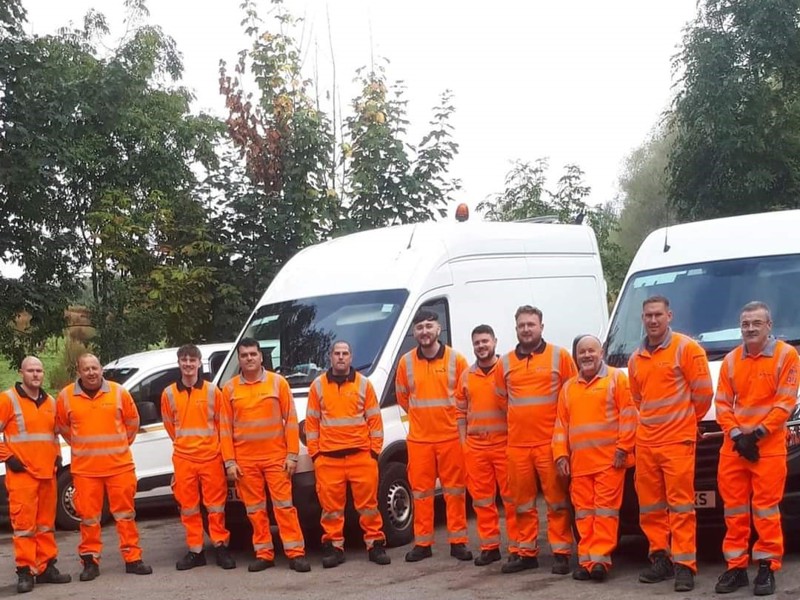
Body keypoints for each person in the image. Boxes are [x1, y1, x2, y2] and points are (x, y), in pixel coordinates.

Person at [713, 301, 799, 597]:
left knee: (765, 510)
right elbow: (722, 404)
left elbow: (785, 402)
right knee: (734, 511)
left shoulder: (786, 356)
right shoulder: (731, 360)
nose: (750, 328)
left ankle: (766, 566)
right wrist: (738, 436)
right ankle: (736, 567)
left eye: (756, 323)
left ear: (769, 326)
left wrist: (757, 434)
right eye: (745, 324)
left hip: (768, 448)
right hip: (734, 449)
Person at [627, 295, 713, 592]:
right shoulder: (636, 358)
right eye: (648, 315)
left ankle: (684, 566)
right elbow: (638, 399)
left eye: (658, 315)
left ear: (669, 316)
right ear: (643, 318)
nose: (653, 320)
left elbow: (703, 394)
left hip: (677, 441)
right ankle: (660, 558)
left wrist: (685, 422)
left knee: (681, 506)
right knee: (650, 507)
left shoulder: (687, 349)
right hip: (646, 442)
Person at [56, 353, 153, 581]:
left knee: (125, 516)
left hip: (119, 467)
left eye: (95, 368)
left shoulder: (119, 392)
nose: (91, 373)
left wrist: (117, 446)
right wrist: (85, 446)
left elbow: (132, 423)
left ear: (101, 369)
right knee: (88, 518)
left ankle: (133, 558)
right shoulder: (65, 397)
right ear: (78, 372)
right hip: (86, 470)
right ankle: (90, 561)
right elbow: (64, 428)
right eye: (86, 369)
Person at [496, 305, 577, 575]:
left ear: (541, 326)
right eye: (522, 325)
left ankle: (561, 553)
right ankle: (526, 552)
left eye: (531, 324)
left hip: (550, 444)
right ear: (516, 328)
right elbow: (502, 400)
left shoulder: (559, 356)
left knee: (557, 502)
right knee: (521, 504)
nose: (526, 329)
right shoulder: (504, 363)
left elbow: (572, 394)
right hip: (518, 446)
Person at [219, 337, 311, 573]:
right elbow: (224, 429)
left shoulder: (277, 383)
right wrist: (229, 462)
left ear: (261, 357)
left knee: (284, 507)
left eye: (253, 354)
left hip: (276, 459)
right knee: (254, 510)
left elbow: (291, 420)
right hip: (245, 462)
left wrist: (292, 455)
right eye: (244, 355)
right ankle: (264, 554)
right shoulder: (229, 389)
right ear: (239, 359)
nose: (249, 358)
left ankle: (296, 553)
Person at [552, 335, 637, 582]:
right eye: (582, 352)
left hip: (610, 463)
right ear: (576, 357)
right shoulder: (568, 388)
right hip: (579, 465)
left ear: (601, 353)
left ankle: (600, 560)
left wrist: (623, 447)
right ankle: (587, 561)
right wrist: (560, 455)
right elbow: (561, 425)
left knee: (605, 514)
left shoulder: (616, 379)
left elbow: (629, 415)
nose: (587, 355)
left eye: (592, 350)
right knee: (584, 515)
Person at [395, 309, 473, 562]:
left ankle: (458, 542)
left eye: (429, 326)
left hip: (451, 437)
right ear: (414, 332)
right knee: (421, 494)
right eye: (419, 327)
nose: (424, 331)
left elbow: (466, 397)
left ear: (438, 329)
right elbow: (403, 398)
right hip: (420, 440)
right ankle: (423, 543)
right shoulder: (406, 363)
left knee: (455, 492)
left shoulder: (456, 360)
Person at [305, 341, 391, 568]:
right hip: (328, 459)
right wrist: (316, 455)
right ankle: (334, 547)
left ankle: (375, 544)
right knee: (331, 509)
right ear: (330, 357)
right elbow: (311, 423)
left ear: (351, 357)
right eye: (337, 353)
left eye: (345, 353)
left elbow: (375, 420)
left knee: (369, 506)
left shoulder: (364, 384)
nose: (341, 357)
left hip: (361, 456)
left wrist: (374, 452)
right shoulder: (318, 386)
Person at [161, 344, 236, 571]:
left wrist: (225, 458)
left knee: (216, 507)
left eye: (192, 360)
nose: (188, 364)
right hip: (184, 459)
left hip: (211, 457)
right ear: (178, 363)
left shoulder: (213, 392)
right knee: (189, 508)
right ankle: (196, 551)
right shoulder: (168, 394)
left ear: (199, 363)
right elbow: (170, 425)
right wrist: (185, 444)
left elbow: (223, 427)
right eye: (184, 360)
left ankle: (221, 546)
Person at [1, 356, 72, 593]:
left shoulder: (51, 401)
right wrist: (8, 457)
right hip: (22, 475)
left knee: (45, 525)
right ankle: (25, 571)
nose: (35, 374)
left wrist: (57, 456)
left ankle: (46, 567)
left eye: (39, 371)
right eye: (31, 370)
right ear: (21, 373)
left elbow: (53, 435)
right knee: (24, 526)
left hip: (47, 473)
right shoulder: (8, 399)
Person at [455, 324, 519, 566]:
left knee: (512, 500)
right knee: (482, 502)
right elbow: (460, 413)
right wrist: (465, 443)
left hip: (504, 444)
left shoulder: (506, 371)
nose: (481, 346)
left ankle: (517, 548)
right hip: (477, 447)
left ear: (495, 342)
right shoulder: (466, 376)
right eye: (477, 343)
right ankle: (490, 547)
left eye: (485, 341)